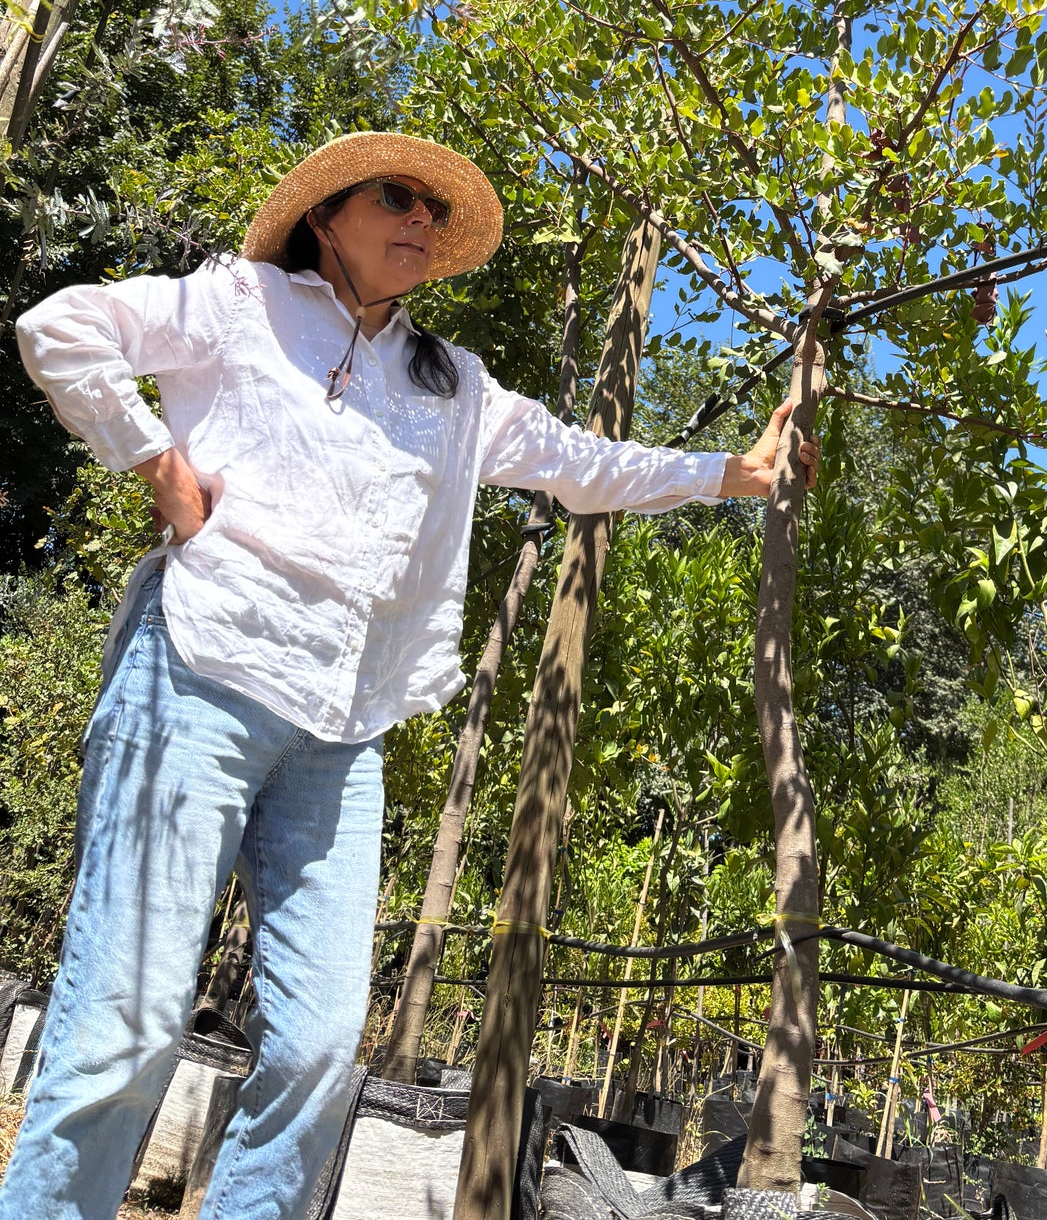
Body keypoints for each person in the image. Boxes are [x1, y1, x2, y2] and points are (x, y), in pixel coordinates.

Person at [2, 131, 818, 1220]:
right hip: (199, 671)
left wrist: (728, 473)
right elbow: (59, 325)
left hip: (340, 735)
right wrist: (152, 455)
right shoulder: (239, 302)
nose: (421, 221)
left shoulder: (452, 384)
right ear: (326, 214)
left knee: (318, 1048)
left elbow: (580, 463)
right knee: (129, 1022)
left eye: (435, 212)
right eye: (399, 197)